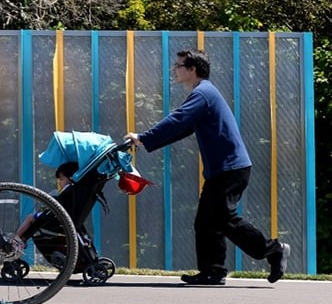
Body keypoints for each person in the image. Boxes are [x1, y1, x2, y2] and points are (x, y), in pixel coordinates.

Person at [124, 49, 290, 285]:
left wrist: (143, 137)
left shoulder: (202, 94)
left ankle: (273, 250)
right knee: (206, 222)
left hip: (230, 168)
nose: (175, 69)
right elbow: (183, 128)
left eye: (179, 65)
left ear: (192, 69)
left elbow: (178, 119)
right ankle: (212, 271)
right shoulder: (203, 94)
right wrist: (148, 141)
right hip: (224, 169)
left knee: (224, 218)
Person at [16, 162, 78, 237]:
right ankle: (22, 239)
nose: (60, 183)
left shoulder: (68, 189)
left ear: (70, 177)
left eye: (61, 179)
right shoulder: (75, 190)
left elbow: (58, 202)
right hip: (63, 220)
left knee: (30, 218)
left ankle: (17, 239)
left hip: (56, 220)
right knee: (36, 220)